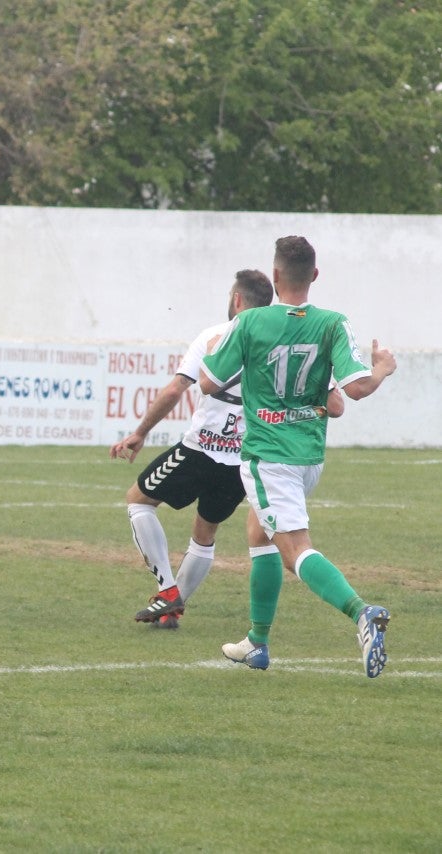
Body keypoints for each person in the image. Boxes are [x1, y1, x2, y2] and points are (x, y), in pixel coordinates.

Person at [201, 235, 395, 677]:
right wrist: (381, 366)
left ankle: (362, 613)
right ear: (315, 276)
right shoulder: (332, 323)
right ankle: (256, 641)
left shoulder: (250, 323)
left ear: (274, 276)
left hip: (268, 455)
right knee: (258, 531)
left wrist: (232, 343)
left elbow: (209, 382)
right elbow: (356, 390)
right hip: (308, 455)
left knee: (294, 551)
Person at [112, 270, 280, 628]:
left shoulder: (213, 337)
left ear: (237, 299)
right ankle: (171, 606)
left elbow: (175, 391)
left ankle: (168, 591)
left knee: (138, 500)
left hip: (200, 450)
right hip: (242, 461)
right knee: (205, 533)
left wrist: (140, 432)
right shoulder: (276, 346)